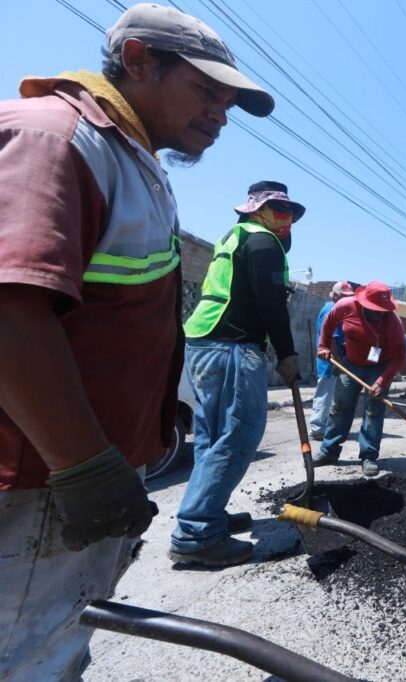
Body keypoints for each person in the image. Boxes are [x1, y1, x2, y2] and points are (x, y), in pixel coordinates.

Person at [0, 3, 272, 677]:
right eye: (207, 90)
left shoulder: (130, 161)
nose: (220, 112)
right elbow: (9, 309)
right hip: (39, 483)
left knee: (58, 648)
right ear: (139, 60)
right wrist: (85, 465)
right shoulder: (58, 139)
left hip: (64, 481)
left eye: (229, 101)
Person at [169, 180, 305, 567]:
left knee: (212, 438)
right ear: (258, 210)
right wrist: (287, 353)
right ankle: (196, 532)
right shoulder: (262, 241)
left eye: (290, 213)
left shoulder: (236, 236)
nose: (287, 220)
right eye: (280, 211)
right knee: (240, 433)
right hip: (231, 345)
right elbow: (271, 303)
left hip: (204, 342)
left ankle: (207, 512)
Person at [314, 281, 406, 476]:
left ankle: (369, 456)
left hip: (379, 367)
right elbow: (329, 322)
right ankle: (328, 451)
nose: (379, 313)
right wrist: (323, 346)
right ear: (363, 303)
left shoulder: (393, 322)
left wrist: (382, 382)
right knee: (340, 408)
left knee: (373, 411)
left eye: (383, 310)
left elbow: (399, 357)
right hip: (351, 364)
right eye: (375, 309)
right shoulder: (345, 305)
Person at [309, 281, 356, 439]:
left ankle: (324, 426)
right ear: (335, 296)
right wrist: (339, 362)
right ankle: (317, 429)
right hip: (330, 361)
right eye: (344, 296)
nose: (347, 300)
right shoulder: (331, 309)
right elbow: (333, 339)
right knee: (325, 394)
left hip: (334, 360)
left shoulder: (338, 309)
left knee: (330, 395)